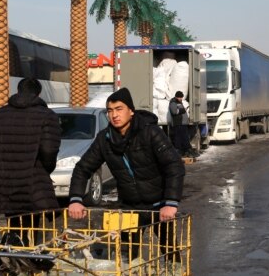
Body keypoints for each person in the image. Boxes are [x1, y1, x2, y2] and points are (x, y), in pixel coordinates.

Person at [67, 87, 185, 227]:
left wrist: (171, 201)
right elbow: (82, 168)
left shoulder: (150, 132)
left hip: (160, 206)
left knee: (168, 248)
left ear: (131, 111)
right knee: (125, 248)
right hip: (128, 207)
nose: (114, 115)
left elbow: (174, 165)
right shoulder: (104, 139)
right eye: (110, 111)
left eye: (119, 109)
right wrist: (75, 198)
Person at [0, 77, 61, 218]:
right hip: (33, 180)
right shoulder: (48, 116)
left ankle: (13, 239)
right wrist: (43, 169)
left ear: (18, 91)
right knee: (31, 227)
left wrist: (0, 165)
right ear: (39, 94)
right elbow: (49, 150)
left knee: (13, 222)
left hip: (3, 181)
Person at [168, 91, 196, 158]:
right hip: (178, 123)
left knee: (184, 138)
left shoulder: (179, 102)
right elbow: (174, 112)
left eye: (181, 97)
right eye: (180, 97)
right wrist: (182, 110)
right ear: (177, 96)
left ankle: (185, 151)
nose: (181, 98)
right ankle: (179, 152)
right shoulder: (173, 102)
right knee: (179, 138)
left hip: (182, 123)